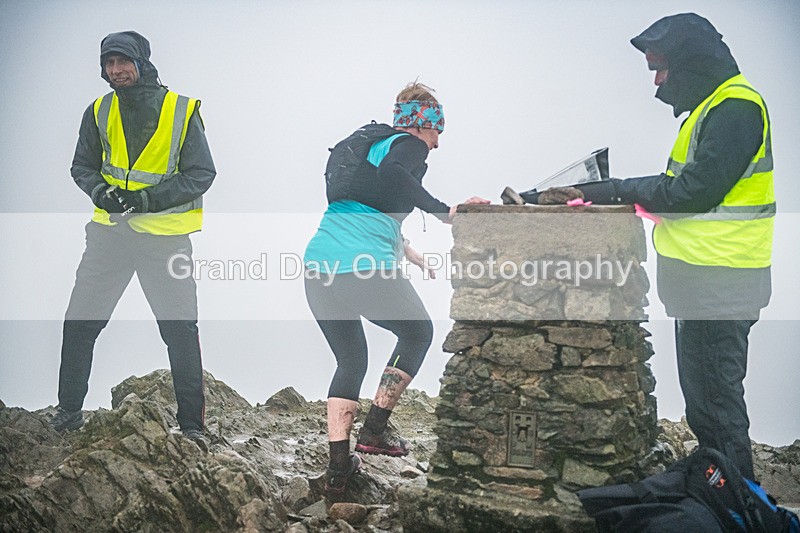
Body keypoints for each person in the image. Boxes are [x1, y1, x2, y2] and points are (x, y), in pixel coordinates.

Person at [530, 13, 773, 480]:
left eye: (661, 68)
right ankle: (726, 498)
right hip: (706, 280)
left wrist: (614, 190)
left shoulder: (736, 108)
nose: (659, 82)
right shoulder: (714, 106)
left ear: (692, 61)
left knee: (717, 405)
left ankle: (740, 506)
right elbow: (682, 192)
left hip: (721, 280)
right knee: (706, 405)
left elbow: (690, 193)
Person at [304, 81, 489, 494]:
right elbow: (394, 175)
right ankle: (374, 431)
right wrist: (444, 212)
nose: (437, 144)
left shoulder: (372, 147)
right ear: (423, 123)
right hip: (361, 266)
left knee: (350, 360)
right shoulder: (408, 144)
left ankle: (339, 469)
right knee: (418, 331)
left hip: (318, 267)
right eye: (437, 130)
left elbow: (364, 208)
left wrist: (408, 250)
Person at [49, 31, 216, 450]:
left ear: (142, 62)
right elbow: (82, 166)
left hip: (164, 240)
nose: (116, 71)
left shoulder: (181, 109)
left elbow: (202, 174)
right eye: (109, 63)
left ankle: (192, 428)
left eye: (123, 62)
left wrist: (146, 200)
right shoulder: (98, 110)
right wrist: (100, 192)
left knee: (179, 330)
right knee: (80, 323)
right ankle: (68, 413)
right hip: (109, 236)